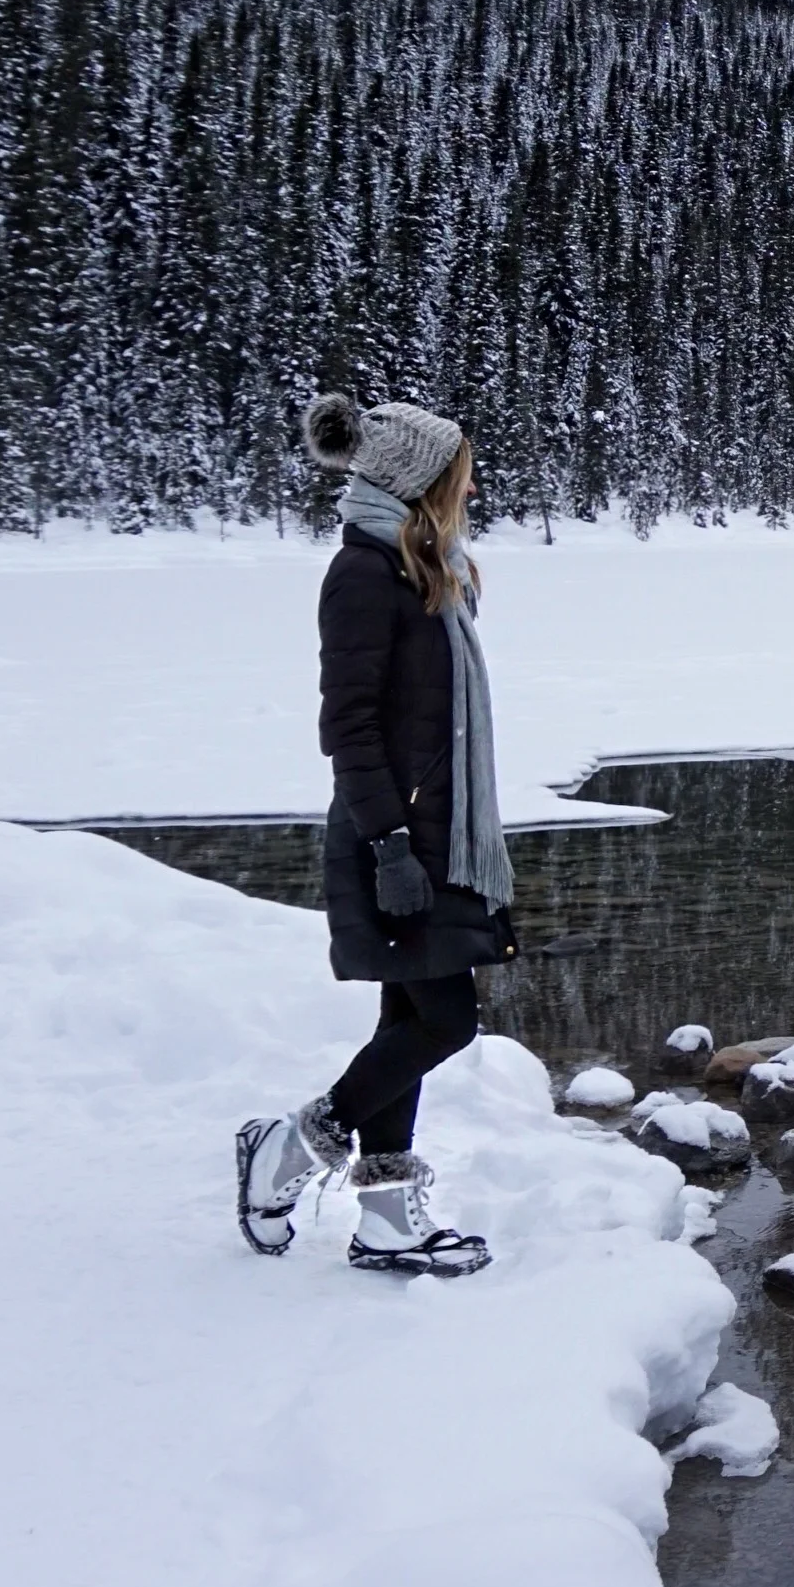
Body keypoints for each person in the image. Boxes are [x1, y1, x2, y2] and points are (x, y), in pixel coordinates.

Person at [235, 394, 519, 1274]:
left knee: (411, 1010)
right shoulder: (363, 574)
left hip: (436, 836)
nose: (469, 485)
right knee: (446, 1020)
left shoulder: (427, 566)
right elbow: (349, 728)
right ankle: (287, 1151)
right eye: (458, 473)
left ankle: (387, 1220)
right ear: (422, 480)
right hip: (393, 839)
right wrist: (391, 846)